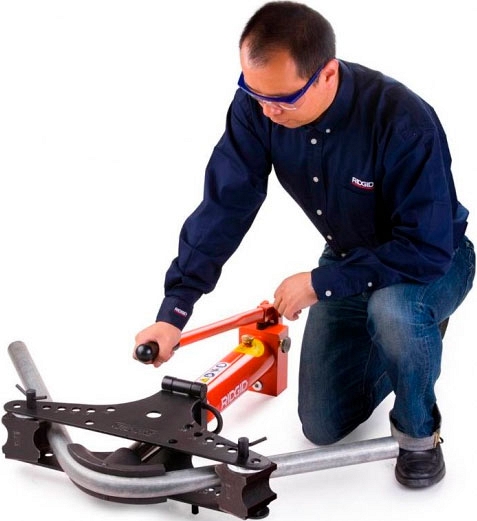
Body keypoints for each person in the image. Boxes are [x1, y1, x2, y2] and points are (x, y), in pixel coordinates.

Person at [134, 1, 475, 488]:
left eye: (284, 99)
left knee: (396, 312)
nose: (268, 110)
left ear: (327, 73)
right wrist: (175, 310)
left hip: (432, 261)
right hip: (351, 259)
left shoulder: (403, 120)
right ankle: (411, 344)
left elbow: (427, 247)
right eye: (254, 93)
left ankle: (419, 432)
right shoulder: (260, 107)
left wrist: (321, 283)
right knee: (321, 426)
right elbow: (226, 204)